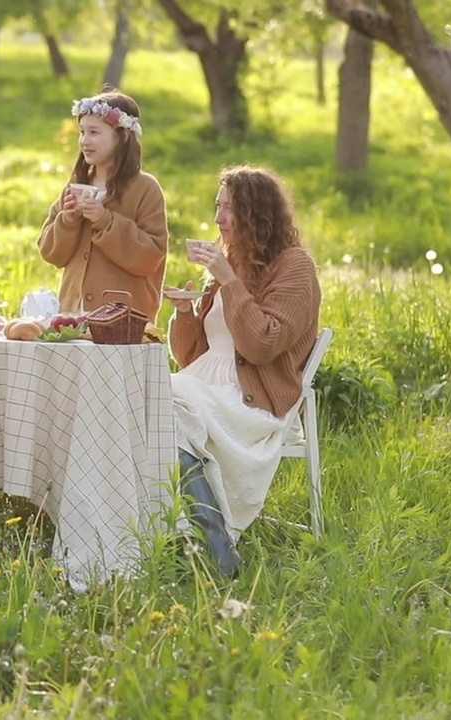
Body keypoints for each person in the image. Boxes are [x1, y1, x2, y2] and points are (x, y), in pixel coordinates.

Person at [165, 166, 322, 575]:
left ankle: (216, 551)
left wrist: (228, 280)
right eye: (217, 207)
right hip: (204, 386)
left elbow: (261, 345)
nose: (218, 219)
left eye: (229, 209)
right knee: (147, 399)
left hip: (252, 399)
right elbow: (190, 355)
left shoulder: (295, 268)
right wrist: (185, 311)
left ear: (257, 214)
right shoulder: (232, 264)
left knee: (164, 408)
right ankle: (185, 539)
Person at [37, 88, 169, 320]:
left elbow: (150, 258)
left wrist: (105, 221)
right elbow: (50, 253)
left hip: (124, 320)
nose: (85, 141)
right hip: (72, 317)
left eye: (94, 132)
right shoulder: (76, 185)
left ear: (123, 136)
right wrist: (68, 220)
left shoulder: (145, 189)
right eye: (82, 132)